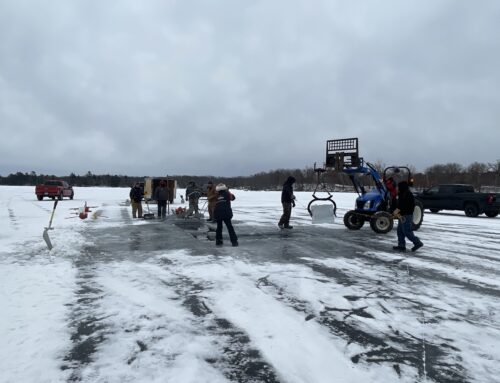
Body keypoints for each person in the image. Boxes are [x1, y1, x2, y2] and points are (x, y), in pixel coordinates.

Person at [393, 181, 424, 252]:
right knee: (400, 231)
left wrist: (400, 211)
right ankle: (401, 245)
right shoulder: (401, 194)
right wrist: (396, 211)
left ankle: (417, 243)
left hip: (407, 216)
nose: (398, 188)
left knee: (407, 231)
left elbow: (408, 207)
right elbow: (399, 205)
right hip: (401, 215)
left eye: (399, 187)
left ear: (402, 187)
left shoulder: (409, 195)